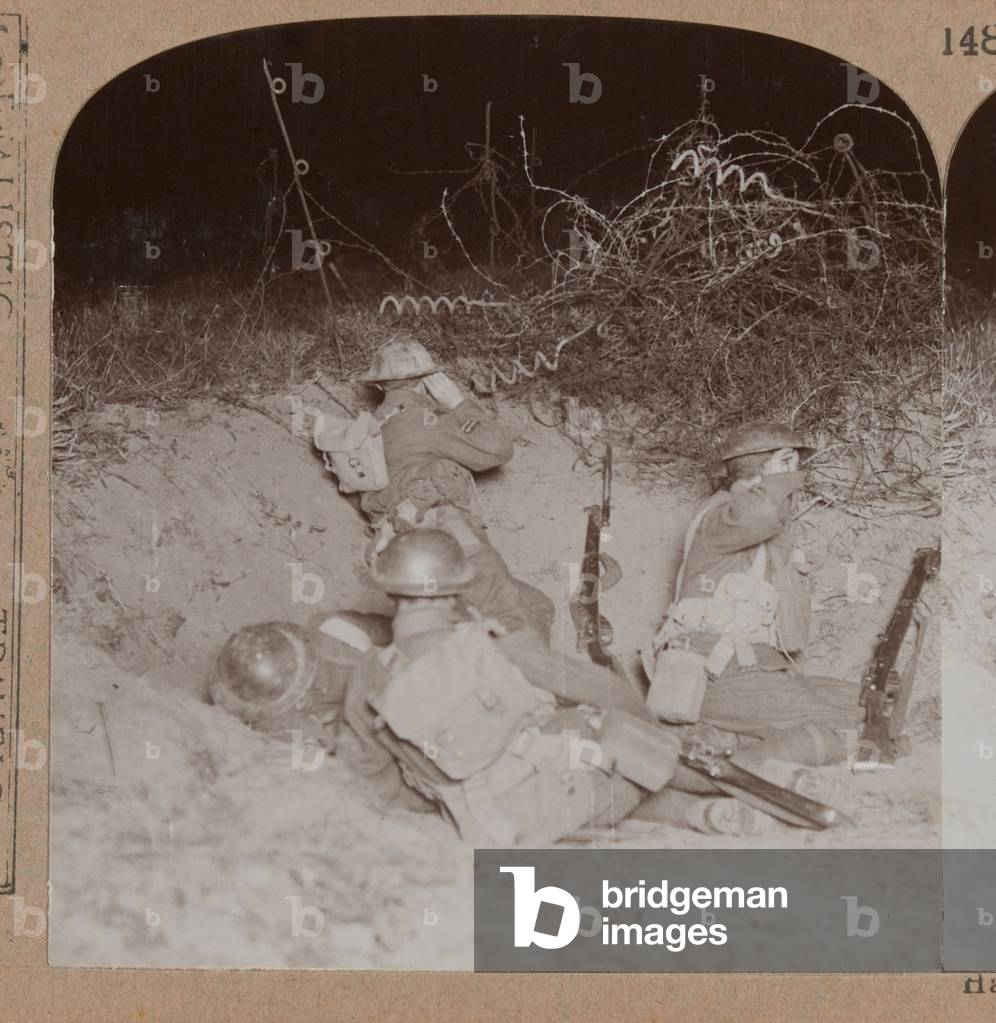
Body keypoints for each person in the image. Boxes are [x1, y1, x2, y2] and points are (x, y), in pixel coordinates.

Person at [643, 420, 861, 780]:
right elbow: (759, 513)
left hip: (753, 670)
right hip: (715, 673)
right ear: (777, 463)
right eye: (791, 465)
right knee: (849, 731)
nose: (796, 477)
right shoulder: (722, 517)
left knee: (868, 707)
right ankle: (714, 777)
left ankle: (734, 741)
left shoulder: (759, 541)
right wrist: (778, 477)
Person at [351, 335, 555, 640]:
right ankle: (523, 685)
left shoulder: (370, 425)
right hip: (445, 531)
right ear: (429, 379)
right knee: (516, 621)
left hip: (403, 547)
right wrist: (457, 403)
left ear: (380, 385)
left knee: (535, 604)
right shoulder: (425, 419)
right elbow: (498, 450)